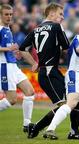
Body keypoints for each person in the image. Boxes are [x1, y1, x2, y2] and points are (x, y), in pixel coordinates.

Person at [19, 2, 79, 140]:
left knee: (75, 99)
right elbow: (66, 47)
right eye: (60, 14)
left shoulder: (36, 29)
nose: (62, 17)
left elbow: (22, 49)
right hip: (50, 72)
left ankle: (75, 131)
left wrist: (34, 63)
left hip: (49, 72)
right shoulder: (56, 26)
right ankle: (37, 127)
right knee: (65, 104)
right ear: (51, 13)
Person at [0, 4, 35, 132]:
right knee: (12, 100)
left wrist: (15, 52)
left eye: (10, 14)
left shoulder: (7, 29)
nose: (9, 17)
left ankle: (27, 125)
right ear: (0, 14)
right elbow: (5, 48)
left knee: (30, 92)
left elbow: (9, 47)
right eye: (6, 14)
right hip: (4, 66)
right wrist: (8, 49)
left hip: (13, 65)